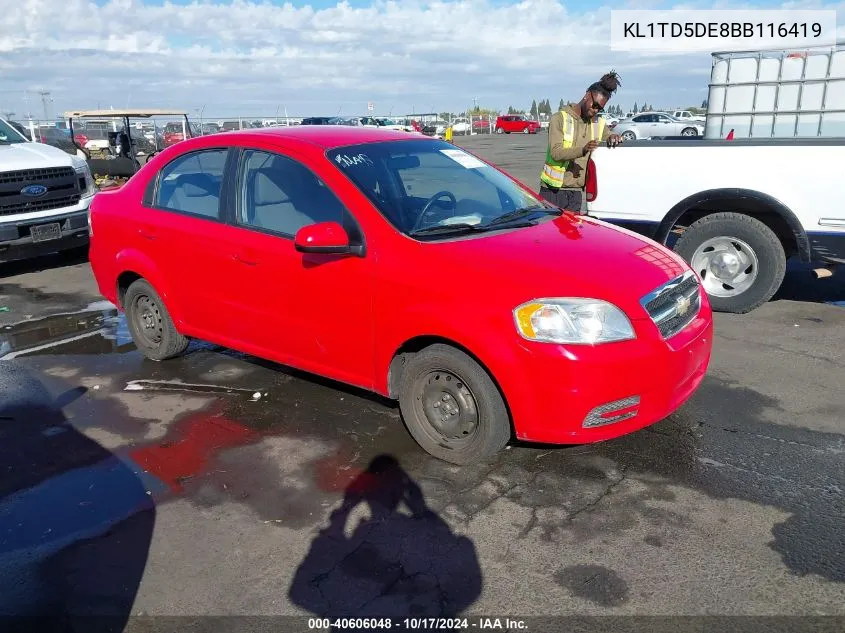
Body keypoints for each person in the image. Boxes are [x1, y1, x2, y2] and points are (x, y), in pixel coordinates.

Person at [538, 71, 623, 214]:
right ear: (587, 95)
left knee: (571, 236)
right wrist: (582, 150)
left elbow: (609, 134)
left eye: (599, 108)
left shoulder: (597, 124)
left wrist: (613, 136)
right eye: (594, 105)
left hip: (575, 194)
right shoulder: (559, 118)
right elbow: (556, 152)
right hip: (552, 191)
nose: (595, 110)